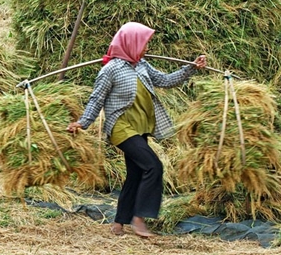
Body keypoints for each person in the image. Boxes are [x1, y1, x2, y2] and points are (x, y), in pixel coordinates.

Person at [66, 22, 207, 238]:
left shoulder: (141, 65)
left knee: (135, 173)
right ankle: (138, 218)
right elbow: (97, 99)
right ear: (130, 43)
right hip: (122, 128)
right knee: (153, 166)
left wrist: (190, 68)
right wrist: (83, 122)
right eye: (144, 44)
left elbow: (166, 80)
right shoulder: (110, 70)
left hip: (141, 127)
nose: (147, 48)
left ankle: (119, 222)